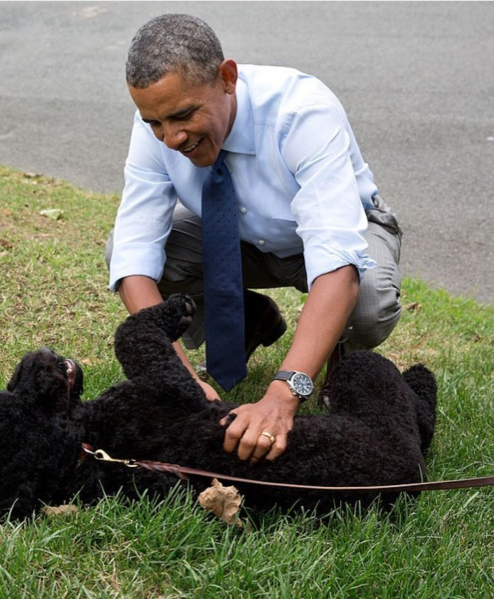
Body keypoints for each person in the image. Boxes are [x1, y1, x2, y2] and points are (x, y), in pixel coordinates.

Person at [105, 13, 402, 465]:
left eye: (184, 116)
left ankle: (337, 364)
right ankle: (246, 319)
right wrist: (178, 381)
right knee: (131, 255)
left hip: (330, 238)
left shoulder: (302, 112)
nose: (171, 138)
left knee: (368, 300)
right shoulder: (158, 122)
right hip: (236, 240)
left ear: (227, 78)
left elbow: (338, 263)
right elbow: (133, 254)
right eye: (156, 123)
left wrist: (283, 395)